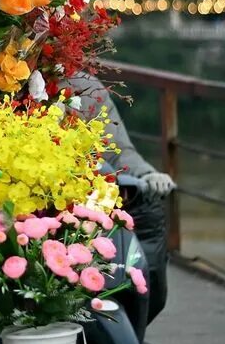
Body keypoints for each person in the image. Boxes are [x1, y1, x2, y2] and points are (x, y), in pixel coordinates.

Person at [66, 72, 176, 327]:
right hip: (33, 208)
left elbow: (118, 149)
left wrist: (148, 175)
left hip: (92, 208)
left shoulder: (81, 84)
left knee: (147, 277)